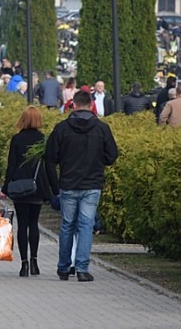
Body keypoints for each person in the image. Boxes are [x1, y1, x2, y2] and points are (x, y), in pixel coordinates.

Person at [44, 90, 118, 282]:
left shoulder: (61, 128)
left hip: (68, 183)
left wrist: (58, 179)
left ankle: (63, 267)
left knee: (67, 225)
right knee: (86, 225)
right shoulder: (102, 128)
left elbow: (50, 157)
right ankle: (82, 268)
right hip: (92, 184)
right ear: (92, 105)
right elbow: (112, 156)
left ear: (73, 105)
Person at [0, 106, 54, 277]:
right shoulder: (42, 139)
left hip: (19, 186)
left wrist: (6, 187)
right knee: (34, 223)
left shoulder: (17, 139)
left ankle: (23, 265)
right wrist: (54, 188)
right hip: (37, 186)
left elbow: (11, 164)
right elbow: (48, 165)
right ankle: (35, 262)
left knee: (22, 225)